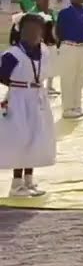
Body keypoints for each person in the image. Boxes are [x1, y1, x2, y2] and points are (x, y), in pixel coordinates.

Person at [1, 13, 56, 197]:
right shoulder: (12, 54)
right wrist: (17, 87)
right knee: (20, 139)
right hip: (19, 98)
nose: (34, 34)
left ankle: (29, 180)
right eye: (29, 30)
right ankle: (16, 184)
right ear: (21, 31)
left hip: (37, 97)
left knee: (36, 136)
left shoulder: (43, 51)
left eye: (37, 30)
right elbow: (3, 75)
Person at [56, 0, 83, 120]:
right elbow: (58, 30)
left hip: (82, 47)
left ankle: (77, 105)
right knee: (68, 78)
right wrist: (62, 45)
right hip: (69, 46)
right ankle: (67, 108)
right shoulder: (65, 13)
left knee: (80, 77)